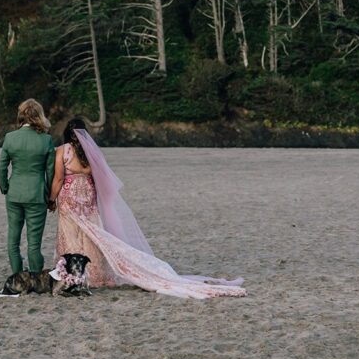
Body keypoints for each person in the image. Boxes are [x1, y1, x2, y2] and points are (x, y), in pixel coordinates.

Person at [49, 117, 246, 299]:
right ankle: (95, 273)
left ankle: (73, 274)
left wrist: (51, 198)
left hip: (70, 196)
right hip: (87, 196)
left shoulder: (63, 150)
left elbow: (58, 178)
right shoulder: (91, 153)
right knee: (93, 234)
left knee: (72, 233)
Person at [0, 99, 55, 274]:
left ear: (21, 115)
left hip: (14, 194)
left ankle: (17, 275)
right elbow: (50, 172)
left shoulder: (10, 138)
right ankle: (36, 276)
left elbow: (1, 167)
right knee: (34, 243)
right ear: (39, 115)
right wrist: (51, 196)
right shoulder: (46, 140)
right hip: (37, 195)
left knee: (13, 239)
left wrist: (5, 187)